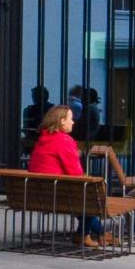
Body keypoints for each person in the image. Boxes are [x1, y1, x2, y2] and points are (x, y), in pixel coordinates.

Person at [28, 105, 110, 247]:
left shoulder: (42, 140)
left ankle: (100, 233)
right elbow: (76, 173)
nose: (74, 122)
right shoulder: (63, 141)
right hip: (59, 196)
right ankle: (84, 235)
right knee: (91, 197)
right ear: (61, 121)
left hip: (39, 195)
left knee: (82, 198)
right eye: (71, 119)